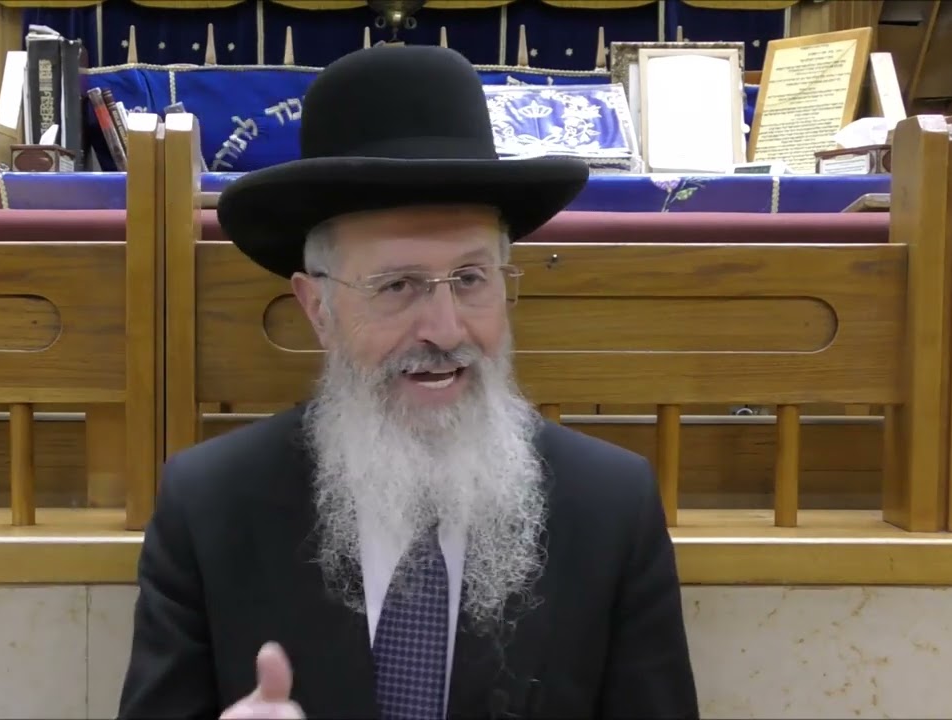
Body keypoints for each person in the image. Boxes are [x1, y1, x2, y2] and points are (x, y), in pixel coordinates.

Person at [117, 44, 698, 720]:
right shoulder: (210, 507)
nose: (445, 330)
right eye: (397, 285)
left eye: (471, 279)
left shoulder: (610, 509)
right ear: (318, 308)